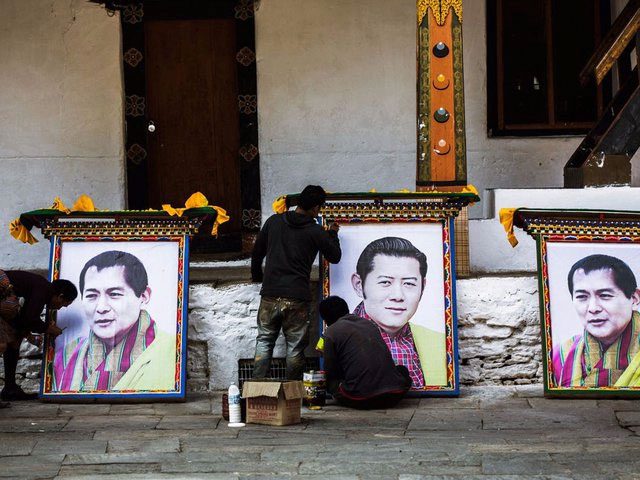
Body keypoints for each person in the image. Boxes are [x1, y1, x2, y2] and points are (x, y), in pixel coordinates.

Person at [251, 185, 341, 380]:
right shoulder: (315, 231)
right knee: (295, 348)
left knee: (264, 342)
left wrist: (258, 278)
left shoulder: (274, 221)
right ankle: (292, 393)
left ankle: (256, 389)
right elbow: (335, 256)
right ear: (316, 208)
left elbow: (257, 252)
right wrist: (332, 234)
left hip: (270, 294)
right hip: (297, 296)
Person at [53, 250, 175, 392]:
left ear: (143, 296)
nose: (102, 308)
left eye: (114, 294)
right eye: (92, 295)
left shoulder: (172, 350)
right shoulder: (65, 356)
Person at [350, 237, 446, 389]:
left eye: (409, 283)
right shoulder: (342, 335)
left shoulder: (440, 341)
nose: (398, 296)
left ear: (422, 287)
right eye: (385, 282)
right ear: (359, 285)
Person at [552, 254, 640, 387]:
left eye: (605, 295)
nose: (593, 308)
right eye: (582, 296)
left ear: (634, 299)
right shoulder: (561, 355)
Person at [319, 296, 411, 409]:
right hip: (394, 396)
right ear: (346, 310)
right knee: (402, 370)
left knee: (332, 382)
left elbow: (330, 370)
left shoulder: (331, 332)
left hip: (361, 399)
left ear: (326, 319)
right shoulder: (368, 324)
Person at [1, 271, 77, 402]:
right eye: (63, 305)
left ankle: (10, 388)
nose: (59, 309)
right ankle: (10, 388)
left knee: (14, 340)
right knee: (3, 344)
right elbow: (30, 319)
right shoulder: (43, 290)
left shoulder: (40, 287)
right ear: (60, 296)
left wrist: (28, 335)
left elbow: (24, 319)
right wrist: (49, 328)